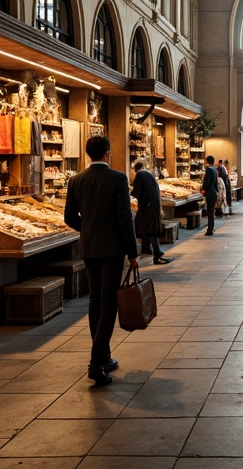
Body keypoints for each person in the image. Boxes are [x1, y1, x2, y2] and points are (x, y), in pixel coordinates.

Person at [63, 135, 139, 387]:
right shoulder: (118, 179)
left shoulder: (76, 180)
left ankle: (104, 356)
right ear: (108, 153)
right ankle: (96, 362)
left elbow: (69, 216)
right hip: (112, 249)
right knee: (109, 304)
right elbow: (125, 217)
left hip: (89, 247)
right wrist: (133, 252)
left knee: (95, 301)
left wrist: (88, 229)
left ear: (88, 154)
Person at [131, 159, 171, 265]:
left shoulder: (139, 175)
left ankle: (154, 252)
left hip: (147, 208)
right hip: (154, 206)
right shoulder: (148, 175)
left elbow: (136, 192)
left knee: (148, 229)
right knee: (150, 229)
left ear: (135, 169)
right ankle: (152, 251)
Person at [201, 155, 219, 235]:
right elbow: (215, 182)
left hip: (210, 192)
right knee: (211, 211)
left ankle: (210, 229)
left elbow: (207, 181)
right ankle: (211, 228)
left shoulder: (208, 169)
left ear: (207, 161)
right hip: (214, 192)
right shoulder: (215, 169)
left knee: (210, 212)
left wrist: (203, 189)